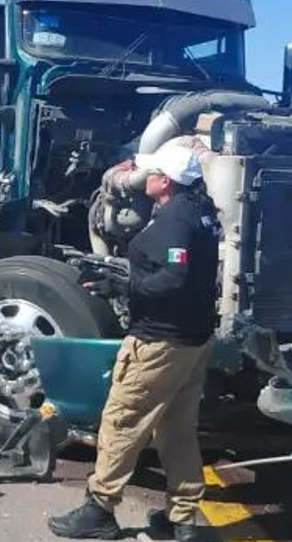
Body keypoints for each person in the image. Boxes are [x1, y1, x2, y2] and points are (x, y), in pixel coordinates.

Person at [48, 143, 222, 542]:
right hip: (191, 340)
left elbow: (173, 279)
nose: (145, 178)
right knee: (176, 429)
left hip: (160, 341)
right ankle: (183, 522)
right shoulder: (201, 211)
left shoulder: (177, 217)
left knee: (122, 420)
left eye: (151, 172)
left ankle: (100, 509)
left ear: (166, 180)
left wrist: (125, 285)